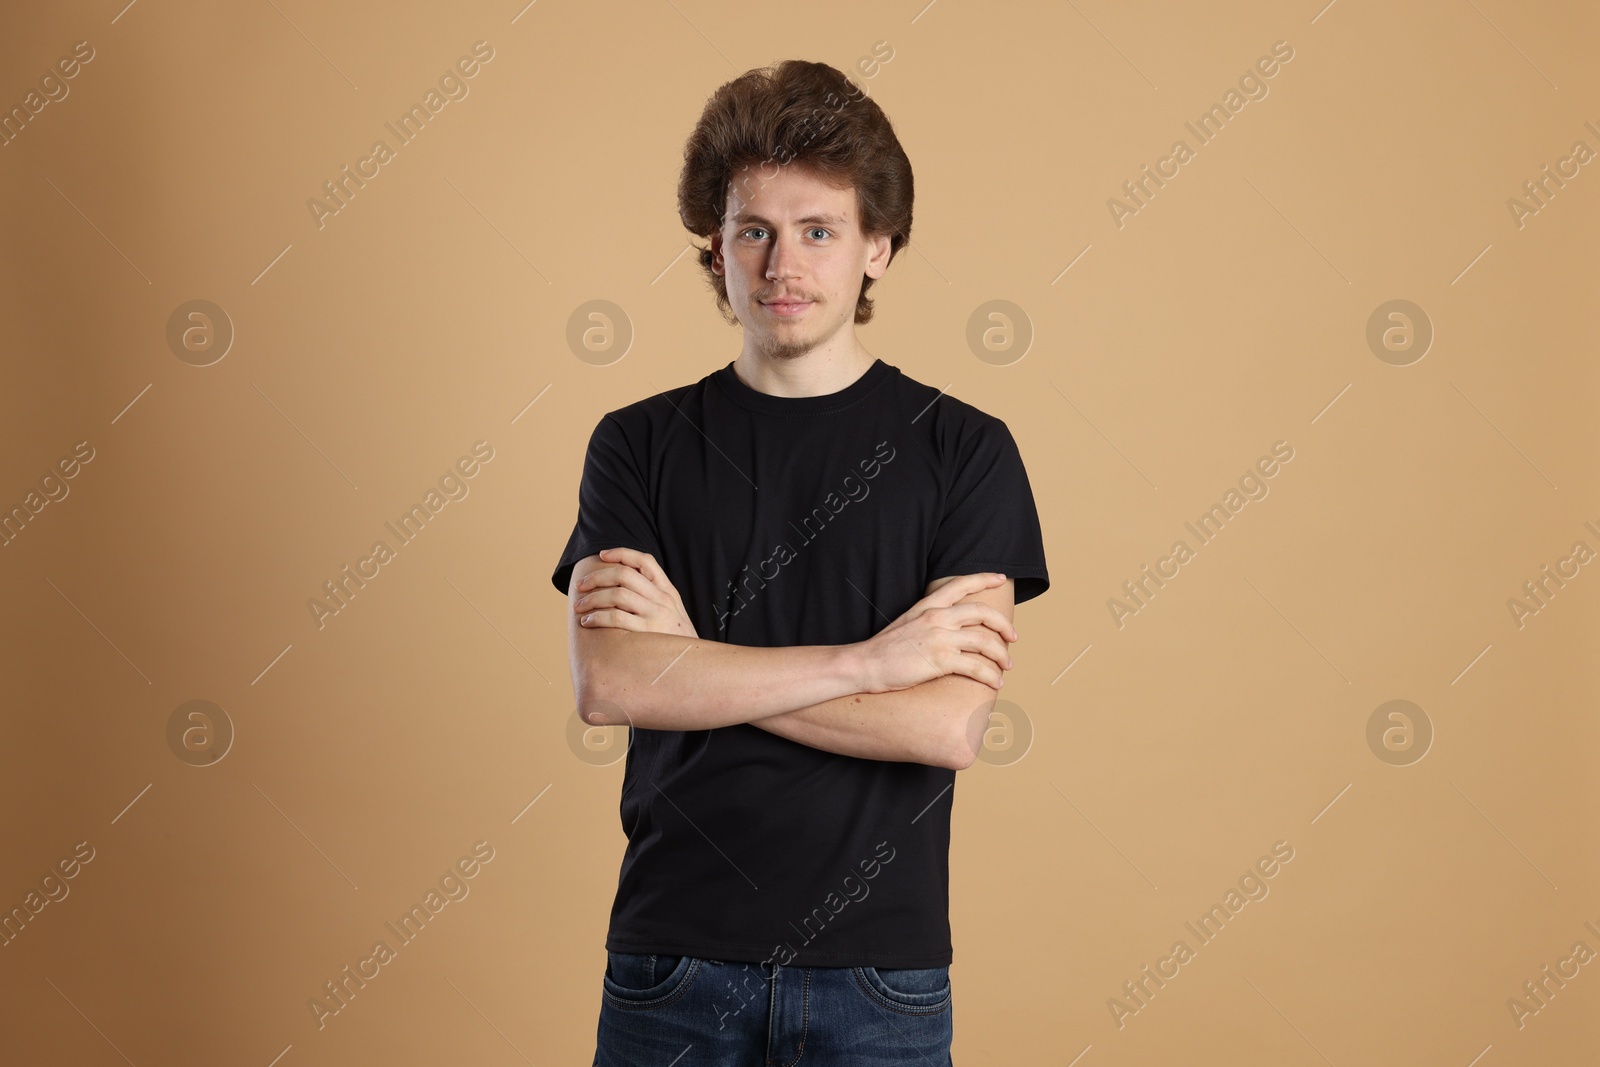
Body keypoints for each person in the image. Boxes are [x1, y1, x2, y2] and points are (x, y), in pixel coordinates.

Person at [551, 58, 1049, 1066]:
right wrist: (869, 664)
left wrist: (693, 663)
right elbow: (610, 683)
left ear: (879, 247)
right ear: (717, 251)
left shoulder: (963, 448)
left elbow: (946, 721)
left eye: (818, 230)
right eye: (754, 232)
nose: (783, 264)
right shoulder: (635, 443)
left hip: (879, 974)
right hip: (671, 958)